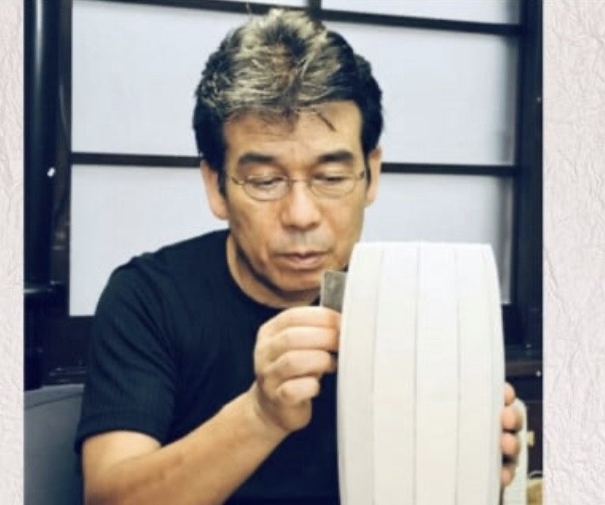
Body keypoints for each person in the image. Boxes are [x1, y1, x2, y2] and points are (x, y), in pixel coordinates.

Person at [75, 9, 523, 505]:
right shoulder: (149, 297)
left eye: (331, 178)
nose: (301, 215)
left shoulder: (416, 304)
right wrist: (259, 415)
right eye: (265, 181)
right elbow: (109, 498)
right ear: (216, 185)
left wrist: (469, 467)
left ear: (371, 175)